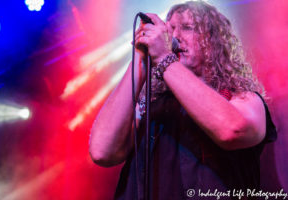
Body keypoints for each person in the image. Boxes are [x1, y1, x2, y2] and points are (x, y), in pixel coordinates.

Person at [89, 1, 277, 199]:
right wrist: (140, 60)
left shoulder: (243, 98)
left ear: (214, 40)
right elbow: (102, 151)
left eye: (187, 27)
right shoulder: (152, 105)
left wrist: (163, 58)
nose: (174, 37)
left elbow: (232, 130)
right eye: (169, 30)